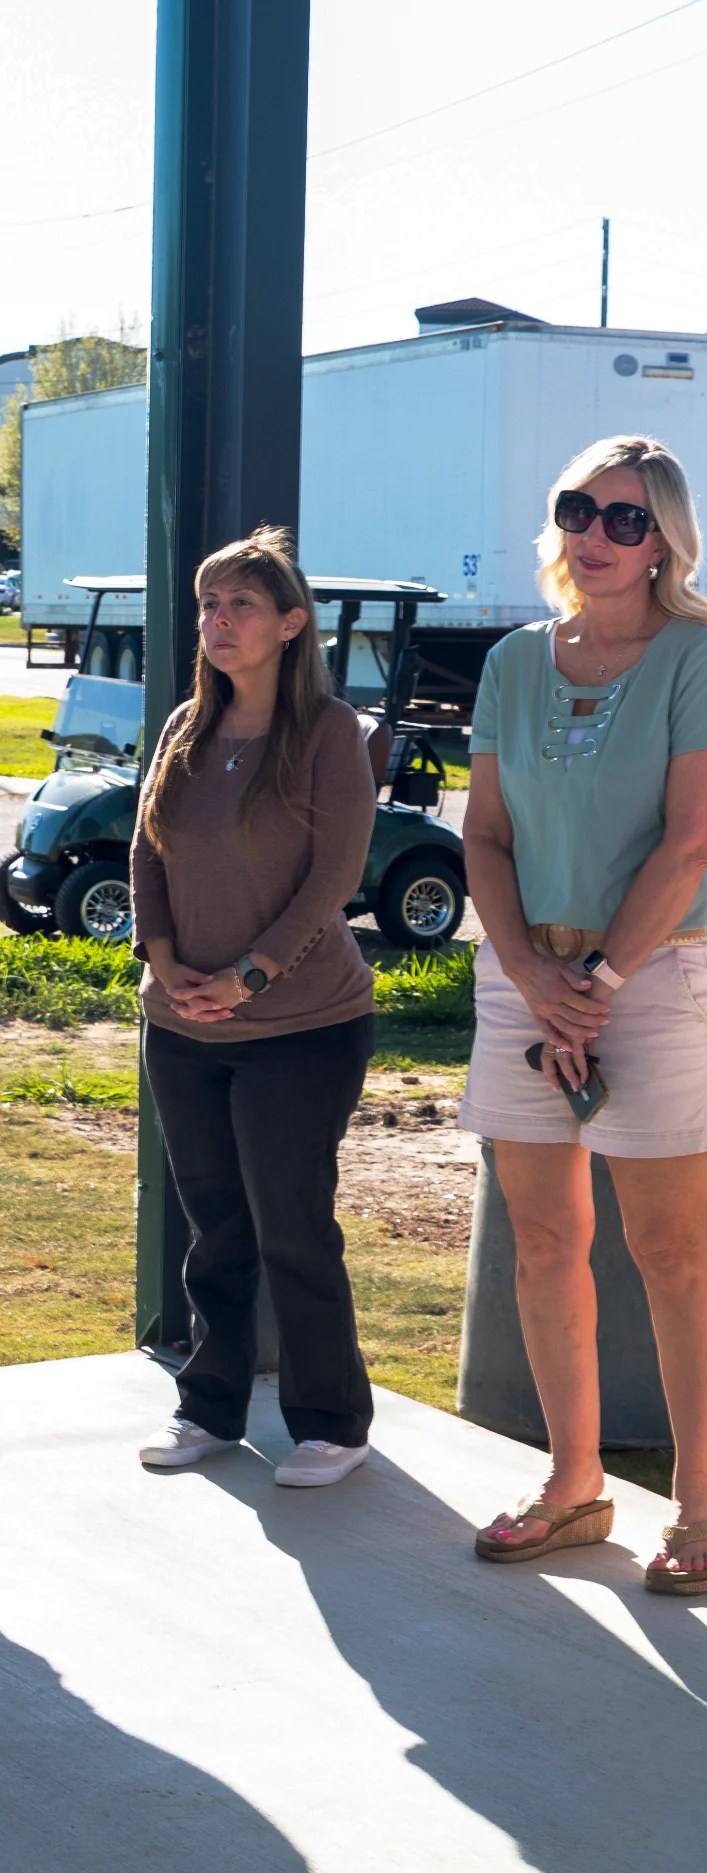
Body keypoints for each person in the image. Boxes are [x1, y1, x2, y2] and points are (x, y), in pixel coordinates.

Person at [460, 435, 707, 1592]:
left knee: (670, 1247)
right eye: (579, 508)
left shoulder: (696, 654)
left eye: (625, 519)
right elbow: (486, 836)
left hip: (653, 978)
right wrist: (534, 972)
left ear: (664, 540)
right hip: (523, 980)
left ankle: (702, 1494)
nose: (595, 535)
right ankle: (572, 1480)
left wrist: (602, 984)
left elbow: (690, 843)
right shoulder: (514, 661)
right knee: (541, 1239)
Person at [131, 527, 379, 1487]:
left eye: (238, 605)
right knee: (216, 1226)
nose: (216, 622)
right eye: (207, 604)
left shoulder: (326, 734)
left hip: (301, 1027)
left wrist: (253, 973)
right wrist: (161, 961)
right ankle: (210, 1407)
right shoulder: (184, 726)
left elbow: (334, 876)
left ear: (290, 624)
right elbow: (148, 851)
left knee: (292, 1224)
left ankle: (330, 1424)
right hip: (183, 1023)